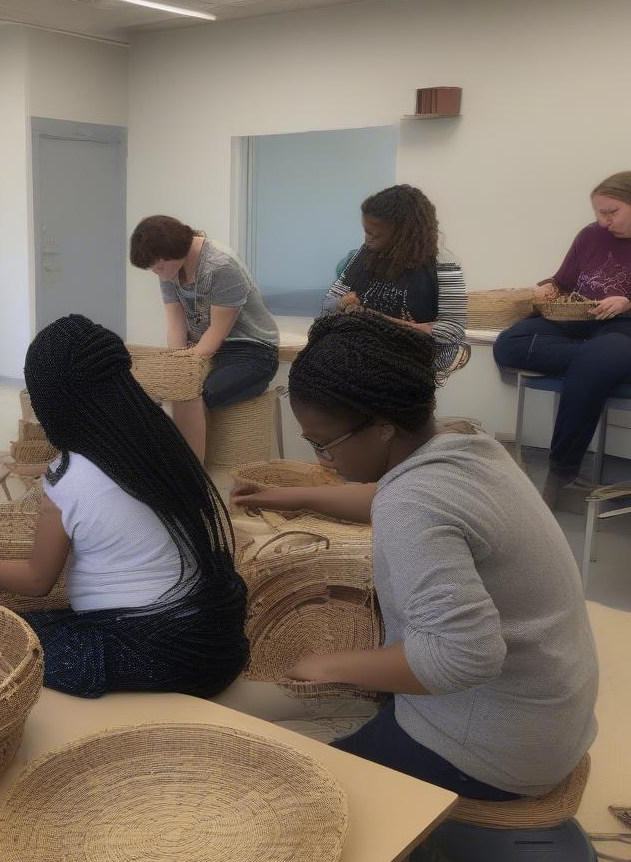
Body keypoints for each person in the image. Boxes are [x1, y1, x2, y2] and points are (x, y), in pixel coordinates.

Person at [234, 308, 597, 799]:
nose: (321, 460)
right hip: (553, 713)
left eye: (323, 445)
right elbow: (400, 497)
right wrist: (295, 497)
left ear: (382, 427)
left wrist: (327, 665)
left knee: (287, 783)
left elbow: (464, 657)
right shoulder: (466, 443)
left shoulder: (412, 503)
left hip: (497, 748)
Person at [0, 314, 249, 699]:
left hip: (149, 652)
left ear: (49, 404)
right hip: (215, 644)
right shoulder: (167, 441)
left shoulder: (67, 476)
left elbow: (36, 582)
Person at [493, 171, 631, 504]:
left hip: (624, 326)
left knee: (595, 361)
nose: (603, 221)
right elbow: (563, 282)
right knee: (508, 344)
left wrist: (627, 302)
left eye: (611, 212)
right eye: (599, 212)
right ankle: (596, 360)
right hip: (578, 323)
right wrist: (547, 288)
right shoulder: (590, 235)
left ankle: (562, 471)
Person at [129, 215, 280, 461]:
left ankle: (191, 473)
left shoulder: (220, 266)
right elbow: (176, 326)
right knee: (155, 389)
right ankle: (163, 463)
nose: (155, 272)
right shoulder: (169, 271)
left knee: (189, 393)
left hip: (252, 350)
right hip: (205, 347)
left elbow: (216, 334)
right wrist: (177, 363)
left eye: (157, 265)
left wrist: (183, 374)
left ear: (170, 253)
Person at [323, 184, 468, 373]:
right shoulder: (365, 254)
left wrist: (385, 322)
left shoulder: (444, 265)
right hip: (358, 361)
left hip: (409, 369)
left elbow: (454, 330)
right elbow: (327, 305)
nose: (367, 241)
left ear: (403, 234)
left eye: (375, 234)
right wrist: (342, 303)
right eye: (366, 231)